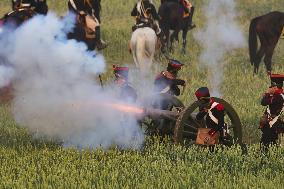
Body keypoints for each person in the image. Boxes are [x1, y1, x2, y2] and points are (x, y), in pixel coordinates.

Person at [259, 74, 284, 148]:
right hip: (275, 124)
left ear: (275, 86)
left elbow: (263, 102)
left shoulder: (277, 96)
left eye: (272, 86)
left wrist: (267, 93)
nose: (270, 87)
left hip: (273, 124)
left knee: (265, 145)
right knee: (273, 144)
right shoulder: (280, 95)